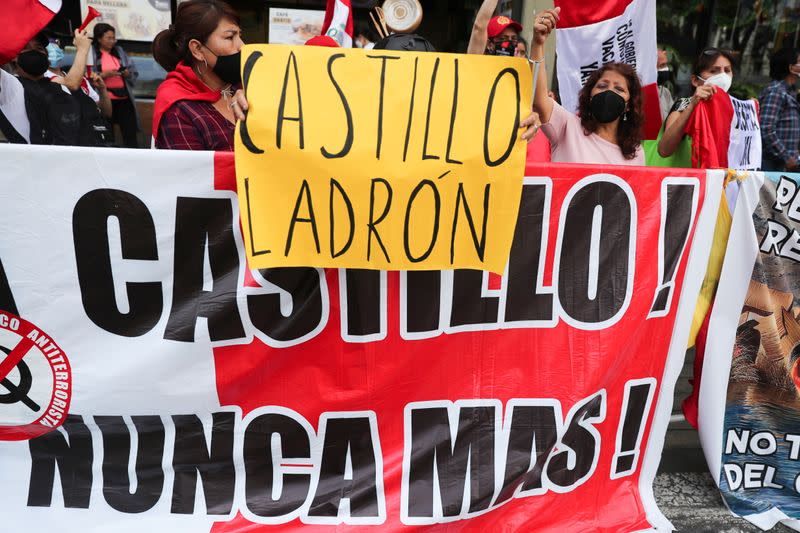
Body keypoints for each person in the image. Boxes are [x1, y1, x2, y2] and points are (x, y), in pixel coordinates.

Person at [530, 7, 645, 165]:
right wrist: (537, 44)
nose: (609, 92)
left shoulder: (636, 152)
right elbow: (539, 100)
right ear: (589, 95)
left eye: (619, 89)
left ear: (629, 105)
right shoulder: (567, 127)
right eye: (602, 85)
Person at [152, 0, 248, 151]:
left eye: (240, 36)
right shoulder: (178, 109)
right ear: (197, 49)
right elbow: (191, 172)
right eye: (230, 37)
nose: (242, 46)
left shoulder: (246, 89)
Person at [657, 48, 734, 158]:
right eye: (713, 71)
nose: (722, 76)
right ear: (695, 80)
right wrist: (692, 105)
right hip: (686, 175)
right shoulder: (683, 106)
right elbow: (664, 150)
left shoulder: (734, 108)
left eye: (727, 70)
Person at [91, 23, 140, 148]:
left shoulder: (119, 51)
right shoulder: (92, 54)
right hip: (106, 101)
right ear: (99, 38)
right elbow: (88, 76)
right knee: (107, 135)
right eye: (109, 38)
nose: (113, 41)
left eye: (114, 37)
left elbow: (133, 70)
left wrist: (126, 73)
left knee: (130, 134)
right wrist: (103, 74)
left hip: (124, 99)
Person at [760, 47, 800, 171]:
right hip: (771, 163)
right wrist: (787, 157)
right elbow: (766, 129)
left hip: (783, 163)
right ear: (791, 67)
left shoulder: (790, 91)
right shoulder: (776, 92)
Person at [657, 48, 674, 121]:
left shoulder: (665, 92)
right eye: (662, 65)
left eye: (666, 64)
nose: (666, 68)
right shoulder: (637, 95)